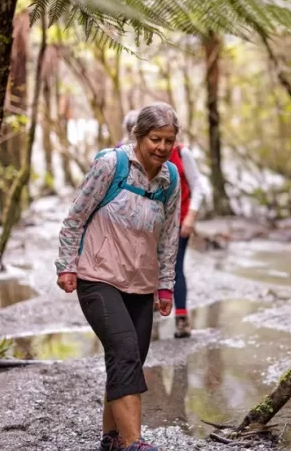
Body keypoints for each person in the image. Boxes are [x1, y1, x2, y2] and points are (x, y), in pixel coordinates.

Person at [55, 103, 181, 451]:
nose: (162, 147)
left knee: (130, 358)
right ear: (138, 135)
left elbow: (169, 237)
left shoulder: (170, 179)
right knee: (125, 351)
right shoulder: (111, 165)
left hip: (140, 282)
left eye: (169, 140)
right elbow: (75, 217)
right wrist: (66, 264)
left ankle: (110, 439)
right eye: (156, 139)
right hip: (98, 277)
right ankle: (133, 443)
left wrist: (166, 286)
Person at [166, 135, 207, 338]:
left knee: (175, 267)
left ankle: (181, 319)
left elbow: (198, 186)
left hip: (180, 220)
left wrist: (191, 216)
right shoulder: (143, 152)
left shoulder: (183, 153)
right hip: (152, 223)